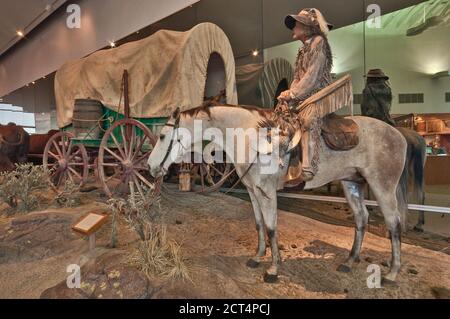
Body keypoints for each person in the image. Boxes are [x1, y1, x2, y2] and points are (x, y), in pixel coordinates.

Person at [277, 8, 334, 182]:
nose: (293, 27)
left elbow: (312, 76)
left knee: (309, 120)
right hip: (305, 93)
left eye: (297, 24)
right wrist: (289, 94)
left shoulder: (318, 42)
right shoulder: (303, 49)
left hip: (318, 93)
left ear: (307, 27)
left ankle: (309, 166)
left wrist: (293, 93)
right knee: (283, 116)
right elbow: (298, 77)